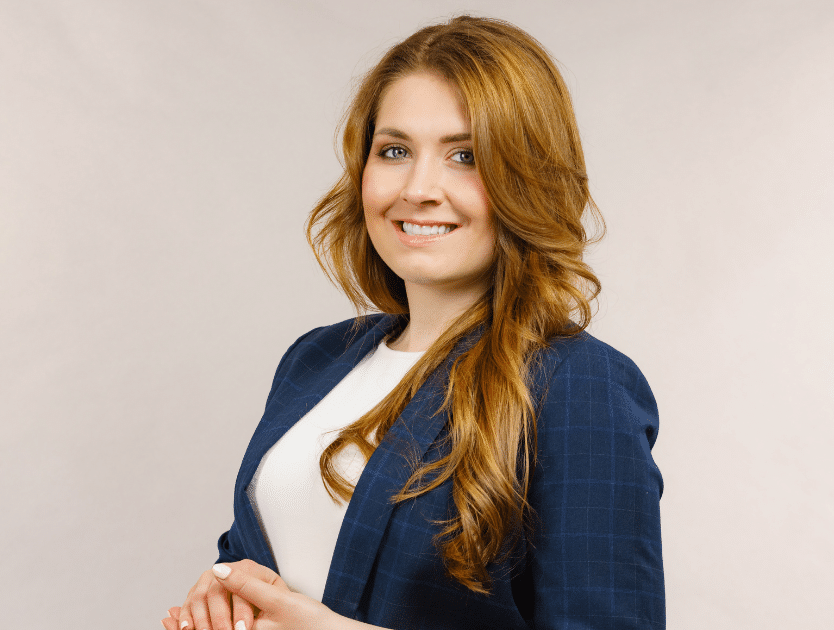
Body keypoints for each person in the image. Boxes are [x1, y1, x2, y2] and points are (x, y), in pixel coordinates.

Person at [162, 15, 664, 630]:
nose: (419, 188)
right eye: (394, 151)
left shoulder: (581, 385)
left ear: (527, 177)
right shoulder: (315, 360)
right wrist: (228, 590)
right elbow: (266, 557)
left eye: (465, 155)